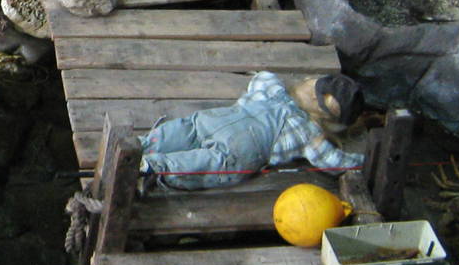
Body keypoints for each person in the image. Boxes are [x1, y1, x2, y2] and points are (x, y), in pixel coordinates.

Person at [139, 71, 362, 192]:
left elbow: (261, 75)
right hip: (224, 137)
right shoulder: (303, 127)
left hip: (226, 137)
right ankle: (148, 157)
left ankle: (148, 158)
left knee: (195, 146)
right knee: (193, 147)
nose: (313, 97)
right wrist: (364, 159)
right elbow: (335, 162)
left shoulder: (276, 92)